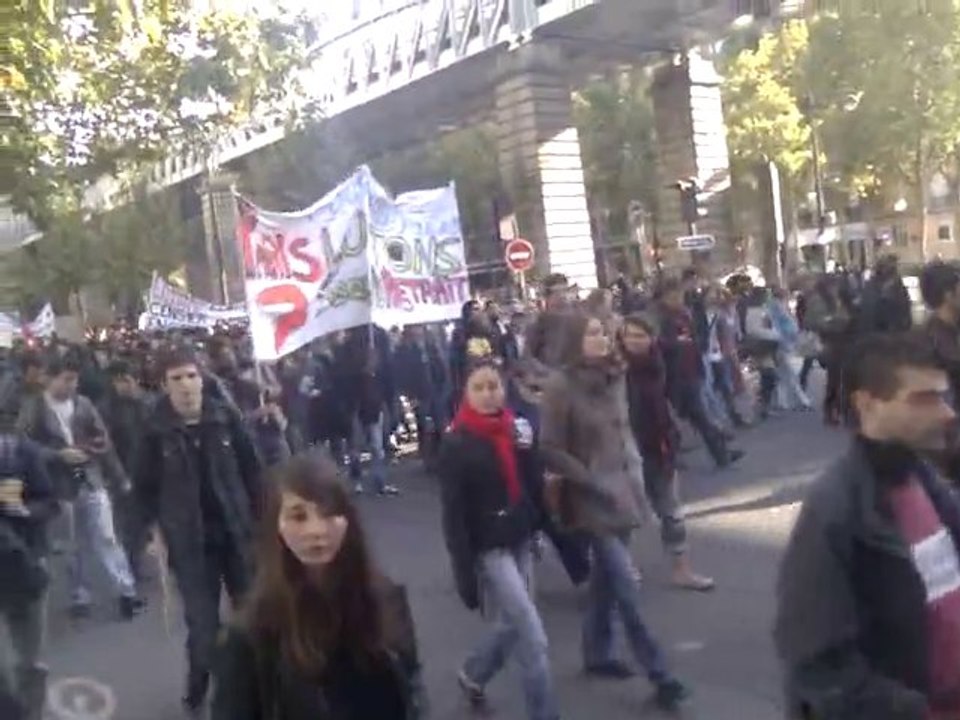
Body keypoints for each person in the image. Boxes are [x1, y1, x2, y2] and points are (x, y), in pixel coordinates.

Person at [774, 332, 960, 720]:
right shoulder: (833, 511)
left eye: (943, 396)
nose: (946, 412)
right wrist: (916, 711)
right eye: (924, 398)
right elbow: (819, 666)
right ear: (867, 404)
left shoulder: (924, 479)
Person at [539, 313, 689, 711]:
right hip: (592, 500)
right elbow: (549, 448)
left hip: (625, 491)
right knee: (627, 588)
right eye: (592, 333)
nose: (603, 338)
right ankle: (660, 673)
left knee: (605, 582)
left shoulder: (614, 376)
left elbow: (626, 436)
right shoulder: (560, 386)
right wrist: (589, 479)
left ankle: (596, 652)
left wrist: (638, 481)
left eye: (604, 331)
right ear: (575, 339)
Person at [211, 453, 425, 720]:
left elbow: (412, 693)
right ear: (276, 527)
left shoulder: (386, 600)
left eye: (329, 513)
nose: (317, 530)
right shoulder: (250, 638)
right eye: (299, 516)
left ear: (349, 520)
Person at [134, 345, 263, 713]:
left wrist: (265, 522)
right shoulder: (154, 430)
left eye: (192, 376)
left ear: (202, 379)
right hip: (190, 542)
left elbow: (253, 472)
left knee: (252, 616)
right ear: (164, 385)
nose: (186, 385)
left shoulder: (225, 417)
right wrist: (148, 532)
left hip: (236, 533)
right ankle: (200, 684)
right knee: (204, 627)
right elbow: (142, 488)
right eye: (177, 378)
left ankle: (251, 689)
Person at [438, 360, 559, 720]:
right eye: (479, 387)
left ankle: (474, 673)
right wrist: (464, 572)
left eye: (494, 386)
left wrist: (529, 451)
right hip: (490, 548)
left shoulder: (514, 428)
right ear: (465, 394)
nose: (489, 394)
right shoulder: (456, 442)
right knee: (532, 636)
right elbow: (453, 515)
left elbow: (529, 485)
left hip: (519, 534)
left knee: (511, 622)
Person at [19, 355, 143, 620]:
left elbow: (104, 440)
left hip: (90, 477)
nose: (72, 385)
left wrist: (117, 474)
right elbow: (25, 446)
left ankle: (126, 590)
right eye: (67, 380)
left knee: (107, 537)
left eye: (75, 380)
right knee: (71, 544)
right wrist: (57, 455)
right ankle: (80, 594)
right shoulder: (35, 408)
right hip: (58, 486)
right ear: (50, 379)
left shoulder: (83, 404)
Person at [621, 314, 714, 591]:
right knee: (626, 518)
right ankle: (623, 570)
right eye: (628, 335)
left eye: (640, 336)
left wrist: (673, 437)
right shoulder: (615, 370)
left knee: (672, 513)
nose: (633, 341)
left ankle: (682, 570)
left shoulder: (659, 363)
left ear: (651, 338)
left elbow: (668, 399)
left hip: (659, 447)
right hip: (626, 451)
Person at [0, 407, 58, 720]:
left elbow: (50, 501)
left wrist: (25, 510)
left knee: (30, 660)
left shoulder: (25, 453)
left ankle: (30, 712)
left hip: (26, 563)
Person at [658, 279, 742, 468]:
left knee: (699, 416)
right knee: (686, 418)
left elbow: (696, 337)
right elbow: (661, 344)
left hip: (691, 370)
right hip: (675, 374)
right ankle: (717, 450)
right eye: (674, 296)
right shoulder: (662, 318)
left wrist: (696, 347)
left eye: (679, 295)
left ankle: (721, 453)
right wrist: (679, 343)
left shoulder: (684, 314)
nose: (678, 299)